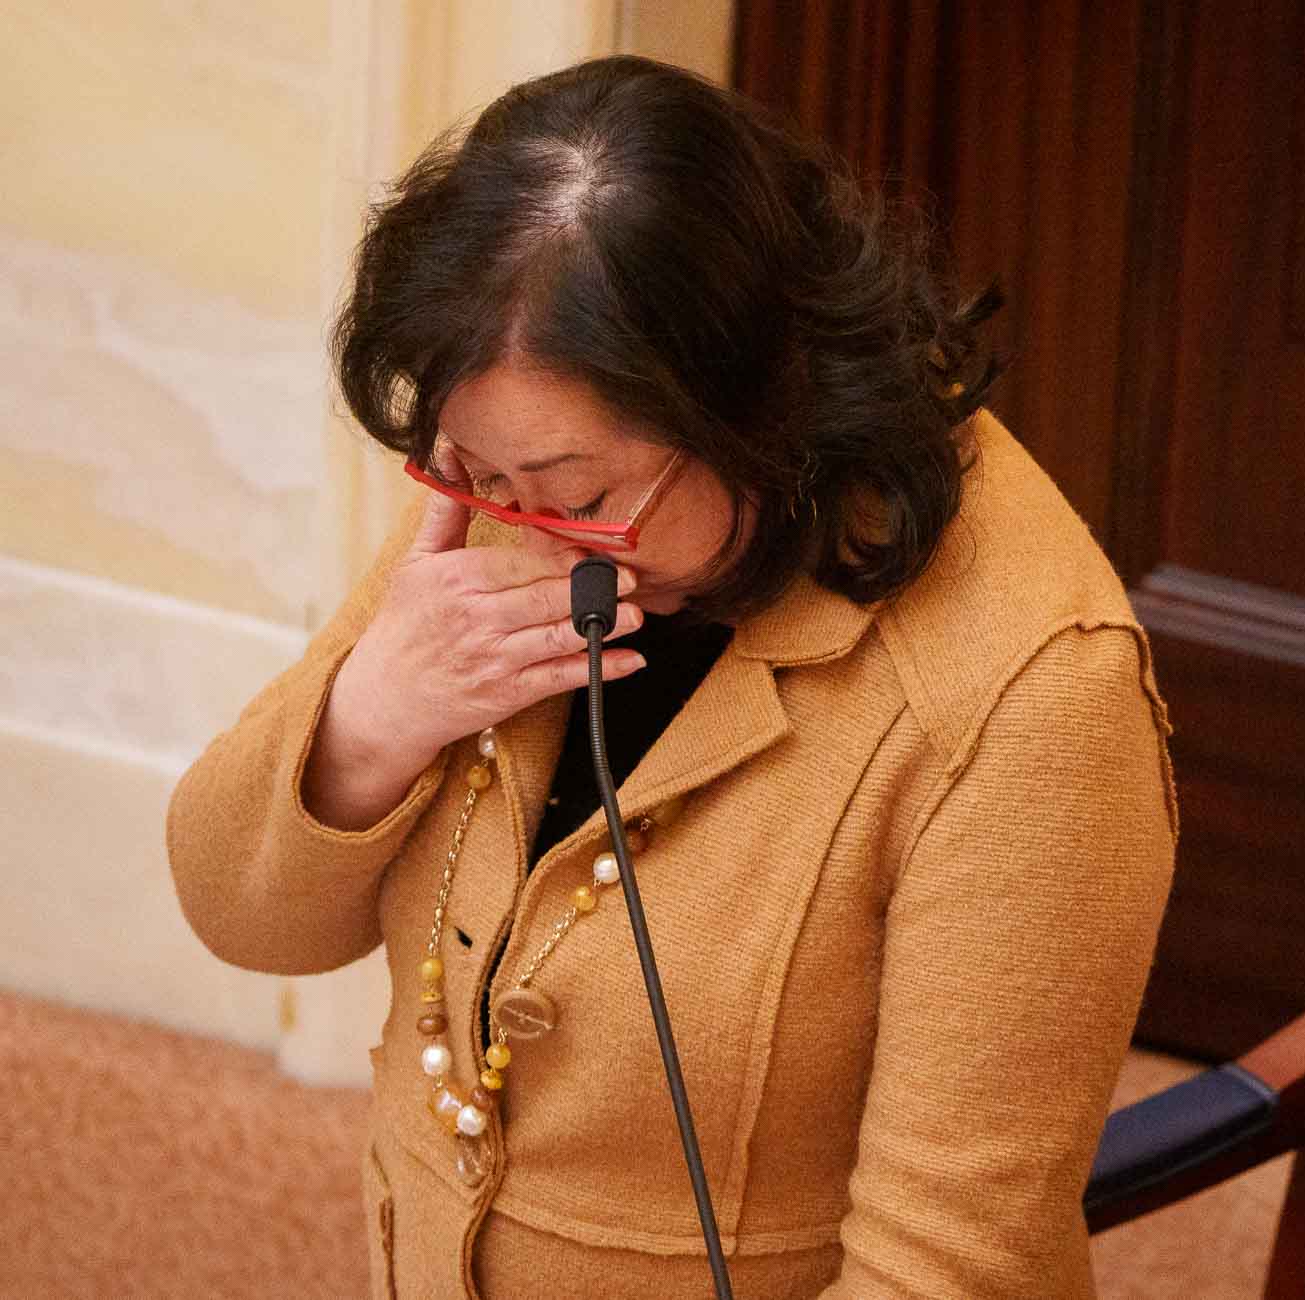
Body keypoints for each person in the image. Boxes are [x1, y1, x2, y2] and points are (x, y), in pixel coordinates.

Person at [166, 54, 1179, 1300]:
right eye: (472, 476)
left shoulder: (1029, 699)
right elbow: (237, 910)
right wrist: (373, 718)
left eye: (581, 500)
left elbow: (946, 1271)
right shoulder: (507, 477)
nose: (526, 542)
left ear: (757, 408)